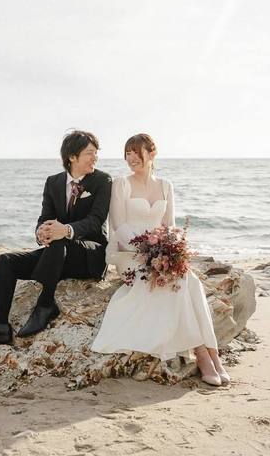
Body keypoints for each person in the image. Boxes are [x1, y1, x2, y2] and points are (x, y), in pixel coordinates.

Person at [91, 134, 230, 385]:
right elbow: (119, 227)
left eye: (136, 152)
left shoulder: (166, 185)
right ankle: (202, 354)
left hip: (159, 252)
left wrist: (171, 250)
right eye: (127, 153)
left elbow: (171, 226)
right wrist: (147, 250)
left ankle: (213, 353)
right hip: (130, 255)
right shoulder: (121, 184)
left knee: (189, 281)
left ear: (152, 153)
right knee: (172, 285)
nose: (131, 158)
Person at [0, 130, 112, 344]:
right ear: (72, 157)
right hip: (59, 255)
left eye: (96, 153)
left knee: (59, 242)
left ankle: (46, 304)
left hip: (89, 255)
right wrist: (41, 233)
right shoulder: (53, 182)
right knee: (7, 261)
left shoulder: (103, 180)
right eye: (89, 153)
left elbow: (96, 220)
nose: (95, 157)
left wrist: (64, 230)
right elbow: (45, 217)